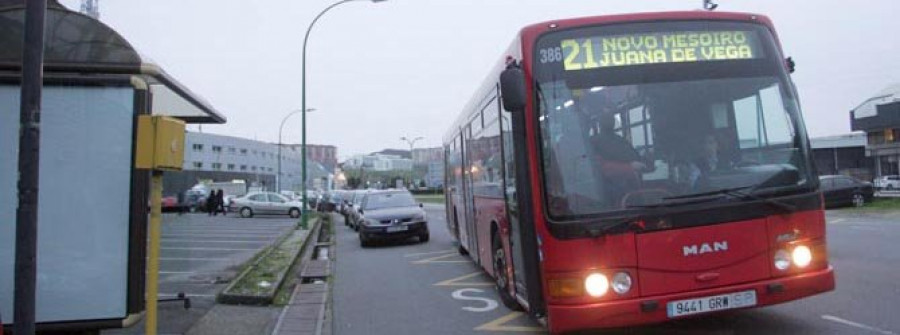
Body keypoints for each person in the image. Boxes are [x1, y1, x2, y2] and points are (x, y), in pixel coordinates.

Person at [592, 111, 649, 205]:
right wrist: (632, 166)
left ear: (599, 124)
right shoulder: (622, 142)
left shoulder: (592, 143)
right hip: (616, 193)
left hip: (616, 195)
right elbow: (600, 168)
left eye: (610, 119)